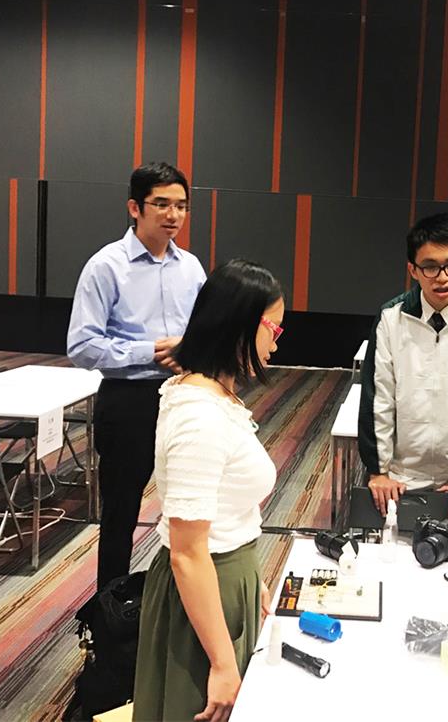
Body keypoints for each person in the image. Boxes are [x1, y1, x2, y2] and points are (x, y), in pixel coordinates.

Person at [133, 259, 283, 722]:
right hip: (203, 589)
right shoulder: (199, 416)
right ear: (242, 326)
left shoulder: (217, 397)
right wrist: (220, 662)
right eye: (274, 329)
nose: (277, 342)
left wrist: (250, 578)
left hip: (225, 578)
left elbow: (223, 511)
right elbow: (187, 552)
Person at [67, 161, 207, 590]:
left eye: (181, 206)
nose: (173, 215)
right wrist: (149, 351)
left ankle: (181, 605)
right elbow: (81, 346)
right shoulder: (106, 266)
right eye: (161, 204)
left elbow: (204, 331)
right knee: (121, 514)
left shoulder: (192, 268)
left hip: (184, 398)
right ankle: (109, 612)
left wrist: (193, 348)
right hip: (128, 401)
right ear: (135, 208)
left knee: (192, 509)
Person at [358, 213, 448, 516]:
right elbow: (378, 396)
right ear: (412, 269)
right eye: (430, 266)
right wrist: (379, 471)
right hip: (401, 476)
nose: (442, 277)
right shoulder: (392, 318)